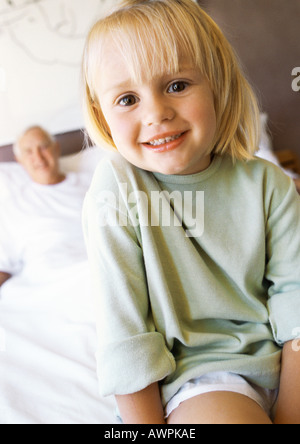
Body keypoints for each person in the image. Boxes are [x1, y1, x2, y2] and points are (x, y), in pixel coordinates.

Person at [82, 0, 300, 424]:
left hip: (286, 360)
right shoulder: (118, 191)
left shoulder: (269, 184)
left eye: (177, 85)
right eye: (127, 98)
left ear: (218, 85)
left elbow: (295, 296)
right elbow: (126, 334)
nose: (156, 113)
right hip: (203, 375)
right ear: (102, 117)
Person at [0, 126, 88, 288]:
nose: (38, 157)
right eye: (29, 151)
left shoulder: (92, 185)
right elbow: (3, 267)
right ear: (19, 160)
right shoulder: (12, 207)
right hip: (45, 279)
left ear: (56, 149)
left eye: (43, 147)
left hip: (94, 264)